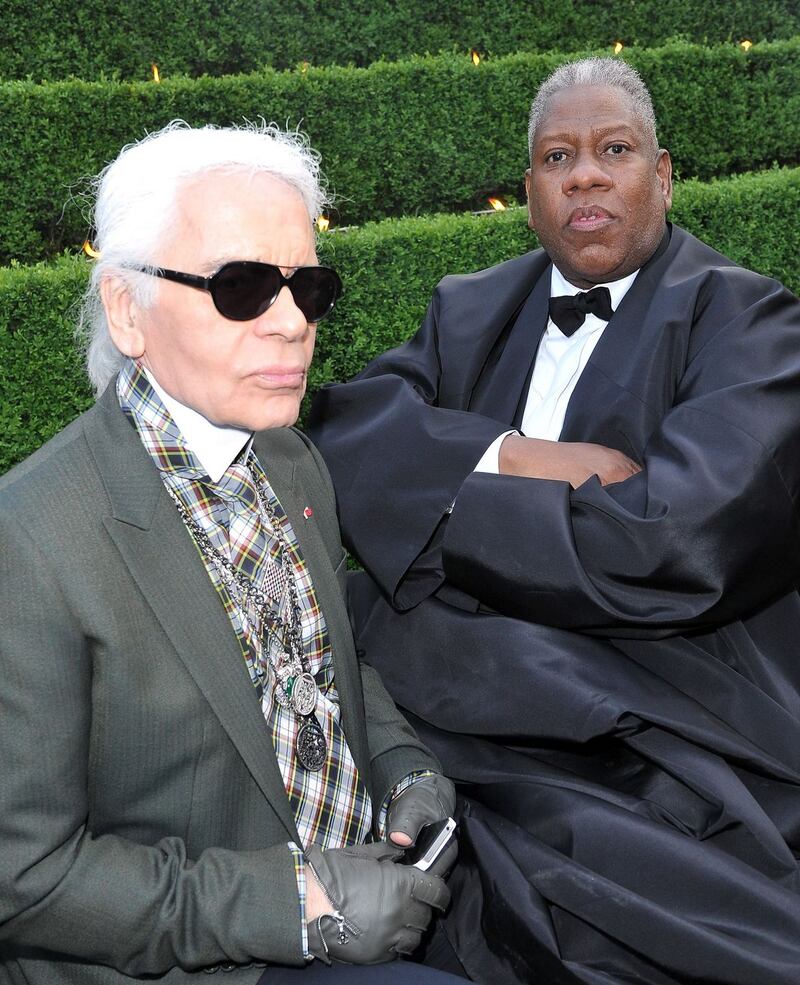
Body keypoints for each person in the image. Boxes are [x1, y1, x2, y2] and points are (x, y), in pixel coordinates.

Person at [308, 58, 800, 985]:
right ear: (530, 191)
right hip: (463, 691)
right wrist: (522, 457)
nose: (584, 174)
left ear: (661, 176)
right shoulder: (468, 307)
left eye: (615, 150)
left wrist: (445, 492)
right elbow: (345, 431)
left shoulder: (753, 320)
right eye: (556, 156)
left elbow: (671, 541)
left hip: (664, 704)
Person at [0, 121, 468, 985]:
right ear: (125, 311)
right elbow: (26, 878)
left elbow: (328, 660)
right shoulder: (29, 538)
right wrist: (296, 907)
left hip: (373, 874)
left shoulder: (292, 456)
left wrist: (404, 767)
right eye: (243, 287)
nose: (292, 323)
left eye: (308, 286)